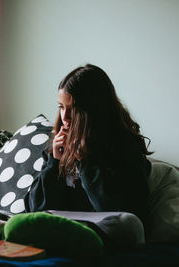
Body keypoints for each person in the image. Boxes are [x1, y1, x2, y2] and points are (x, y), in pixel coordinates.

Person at [24, 64, 153, 246]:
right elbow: (35, 210)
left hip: (99, 240)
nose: (65, 117)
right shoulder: (59, 147)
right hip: (58, 233)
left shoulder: (126, 151)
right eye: (61, 107)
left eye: (74, 108)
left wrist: (87, 163)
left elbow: (119, 216)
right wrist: (54, 162)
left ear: (94, 111)